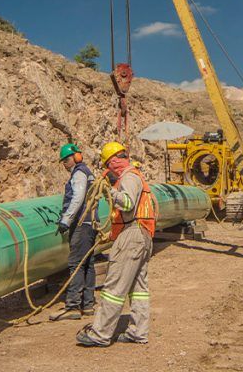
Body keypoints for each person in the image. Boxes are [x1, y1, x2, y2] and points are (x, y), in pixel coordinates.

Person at [76, 142, 157, 347]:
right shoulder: (137, 175)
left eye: (107, 165)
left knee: (114, 285)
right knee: (138, 287)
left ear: (113, 161)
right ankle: (138, 332)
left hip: (131, 234)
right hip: (142, 234)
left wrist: (108, 192)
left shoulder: (128, 177)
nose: (107, 170)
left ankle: (100, 333)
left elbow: (127, 203)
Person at [50, 143, 98, 321]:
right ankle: (88, 305)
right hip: (91, 223)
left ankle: (73, 306)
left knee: (76, 263)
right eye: (62, 161)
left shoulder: (79, 173)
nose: (64, 163)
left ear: (76, 157)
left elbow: (77, 198)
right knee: (88, 263)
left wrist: (65, 221)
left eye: (66, 159)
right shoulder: (88, 172)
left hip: (81, 224)